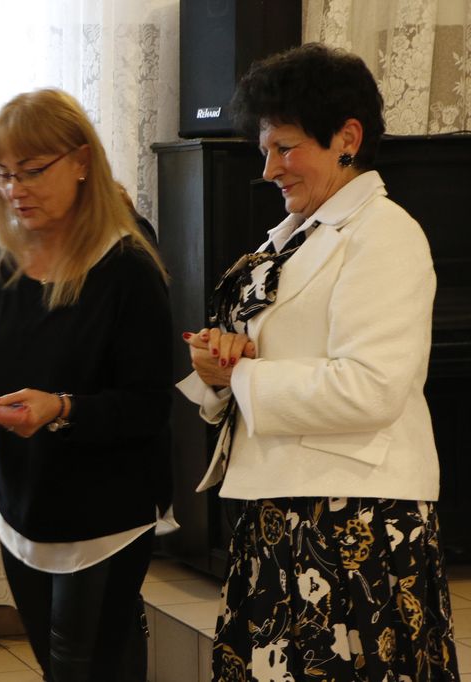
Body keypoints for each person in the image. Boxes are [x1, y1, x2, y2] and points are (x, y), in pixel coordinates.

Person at [178, 43, 460, 680]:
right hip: (284, 506)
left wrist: (244, 375)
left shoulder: (384, 234)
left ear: (347, 139)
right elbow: (275, 354)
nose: (269, 168)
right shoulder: (299, 234)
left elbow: (371, 388)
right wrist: (220, 364)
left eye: (285, 147)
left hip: (355, 520)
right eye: (265, 149)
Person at [0, 87, 174, 682]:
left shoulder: (128, 270)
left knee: (83, 669)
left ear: (82, 162)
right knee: (56, 663)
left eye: (32, 170)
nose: (14, 188)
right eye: (0, 173)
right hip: (24, 512)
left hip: (105, 519)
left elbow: (148, 406)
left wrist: (62, 408)